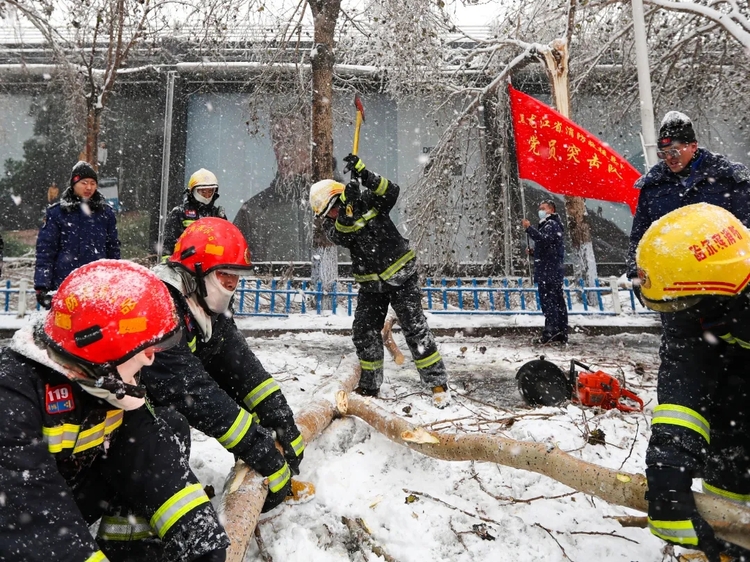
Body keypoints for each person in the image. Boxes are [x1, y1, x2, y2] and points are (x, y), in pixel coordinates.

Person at [0, 259, 229, 562]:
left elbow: (152, 453)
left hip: (62, 499)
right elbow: (33, 514)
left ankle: (129, 550)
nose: (151, 360)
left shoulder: (100, 379)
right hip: (18, 523)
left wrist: (203, 541)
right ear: (101, 348)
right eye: (144, 348)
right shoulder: (11, 398)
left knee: (165, 428)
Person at [140, 217, 307, 516]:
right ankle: (138, 531)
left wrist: (278, 416)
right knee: (165, 423)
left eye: (237, 276)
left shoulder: (201, 306)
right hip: (94, 437)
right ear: (197, 269)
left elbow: (241, 368)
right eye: (225, 274)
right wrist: (259, 449)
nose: (232, 285)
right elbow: (192, 391)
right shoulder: (158, 306)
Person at [636, 202, 750, 562]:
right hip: (737, 414)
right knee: (730, 419)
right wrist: (667, 471)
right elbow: (684, 382)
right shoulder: (698, 302)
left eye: (689, 304)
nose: (682, 317)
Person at [309, 154, 451, 408]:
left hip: (400, 276)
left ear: (337, 198)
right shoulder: (333, 225)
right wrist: (346, 212)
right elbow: (343, 235)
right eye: (326, 214)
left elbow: (392, 191)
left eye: (332, 209)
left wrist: (365, 175)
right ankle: (371, 385)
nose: (330, 216)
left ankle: (438, 385)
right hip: (371, 285)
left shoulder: (369, 201)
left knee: (415, 329)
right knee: (363, 331)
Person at [627, 111, 750, 302]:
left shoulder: (728, 177)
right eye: (664, 153)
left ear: (693, 146)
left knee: (727, 332)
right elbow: (640, 235)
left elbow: (746, 227)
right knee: (678, 333)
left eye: (674, 151)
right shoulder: (653, 185)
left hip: (722, 284)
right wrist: (635, 276)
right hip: (673, 287)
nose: (669, 158)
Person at [34, 160, 121, 309]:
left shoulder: (105, 213)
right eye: (84, 182)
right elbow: (45, 251)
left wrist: (116, 279)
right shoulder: (57, 213)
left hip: (98, 283)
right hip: (64, 283)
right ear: (73, 184)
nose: (89, 187)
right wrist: (42, 286)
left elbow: (113, 248)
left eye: (93, 183)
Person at [233, 108, 313, 262]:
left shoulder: (339, 206)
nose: (282, 150)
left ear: (311, 146)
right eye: (277, 140)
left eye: (290, 140)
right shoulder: (253, 211)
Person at [522, 199, 568, 344]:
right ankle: (560, 331)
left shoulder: (551, 224)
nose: (540, 211)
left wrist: (529, 229)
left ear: (551, 210)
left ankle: (551, 332)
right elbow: (550, 248)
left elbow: (545, 240)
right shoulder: (550, 225)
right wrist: (535, 252)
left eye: (543, 208)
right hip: (551, 269)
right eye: (539, 208)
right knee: (556, 301)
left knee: (549, 303)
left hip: (548, 272)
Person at [162, 168, 227, 257]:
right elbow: (169, 246)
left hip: (213, 263)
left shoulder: (218, 214)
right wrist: (171, 265)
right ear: (192, 191)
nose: (207, 195)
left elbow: (226, 242)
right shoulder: (179, 213)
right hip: (185, 265)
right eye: (203, 191)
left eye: (210, 191)